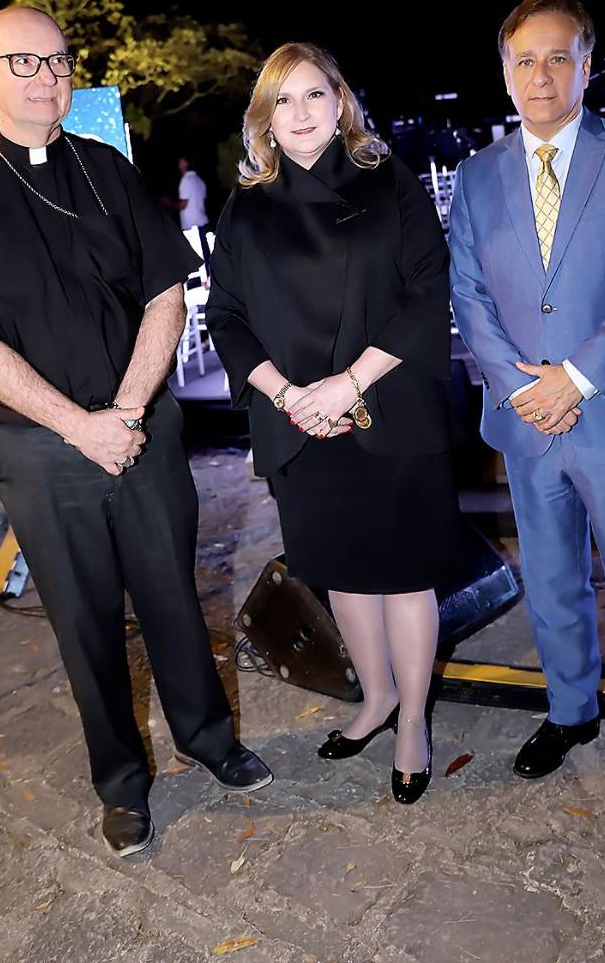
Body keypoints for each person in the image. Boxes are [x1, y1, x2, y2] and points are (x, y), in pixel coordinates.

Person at [0, 5, 272, 858]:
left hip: (138, 426)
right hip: (39, 446)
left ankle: (210, 740)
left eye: (60, 62)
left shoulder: (106, 168)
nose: (48, 78)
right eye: (25, 63)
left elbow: (164, 295)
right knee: (82, 617)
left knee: (173, 598)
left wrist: (129, 412)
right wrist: (82, 426)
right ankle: (122, 782)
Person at [449, 0, 605, 804]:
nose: (541, 75)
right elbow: (469, 294)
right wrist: (522, 387)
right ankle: (571, 710)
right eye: (525, 60)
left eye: (559, 57)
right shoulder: (478, 178)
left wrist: (574, 378)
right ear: (505, 72)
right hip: (526, 421)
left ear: (588, 64)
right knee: (551, 580)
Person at [206, 43, 460, 804]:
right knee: (345, 573)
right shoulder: (245, 206)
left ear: (341, 101)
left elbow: (428, 292)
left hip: (387, 408)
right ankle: (375, 698)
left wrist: (347, 383)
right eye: (282, 102)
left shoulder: (389, 182)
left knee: (404, 575)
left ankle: (412, 719)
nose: (300, 113)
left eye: (314, 95)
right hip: (300, 425)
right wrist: (288, 395)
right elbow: (226, 318)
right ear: (265, 119)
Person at [176, 155, 211, 273]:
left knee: (198, 259)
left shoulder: (186, 180)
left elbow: (183, 205)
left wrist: (167, 203)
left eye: (181, 162)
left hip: (191, 225)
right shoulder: (199, 180)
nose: (179, 165)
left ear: (186, 164)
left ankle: (204, 281)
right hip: (202, 221)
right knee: (206, 256)